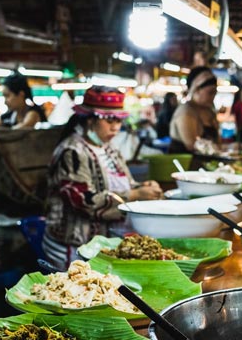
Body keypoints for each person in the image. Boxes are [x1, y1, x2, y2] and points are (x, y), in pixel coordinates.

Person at [42, 86, 163, 269]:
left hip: (103, 244)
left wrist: (143, 186)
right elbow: (82, 200)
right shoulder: (72, 152)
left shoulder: (110, 148)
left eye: (118, 120)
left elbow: (126, 183)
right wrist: (135, 194)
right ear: (90, 120)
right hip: (74, 246)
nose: (115, 127)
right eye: (108, 120)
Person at [168, 66, 219, 153]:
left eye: (215, 93)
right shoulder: (185, 111)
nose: (213, 96)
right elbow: (192, 146)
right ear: (197, 89)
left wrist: (229, 147)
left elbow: (217, 142)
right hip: (186, 164)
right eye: (210, 92)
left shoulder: (209, 111)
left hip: (208, 163)